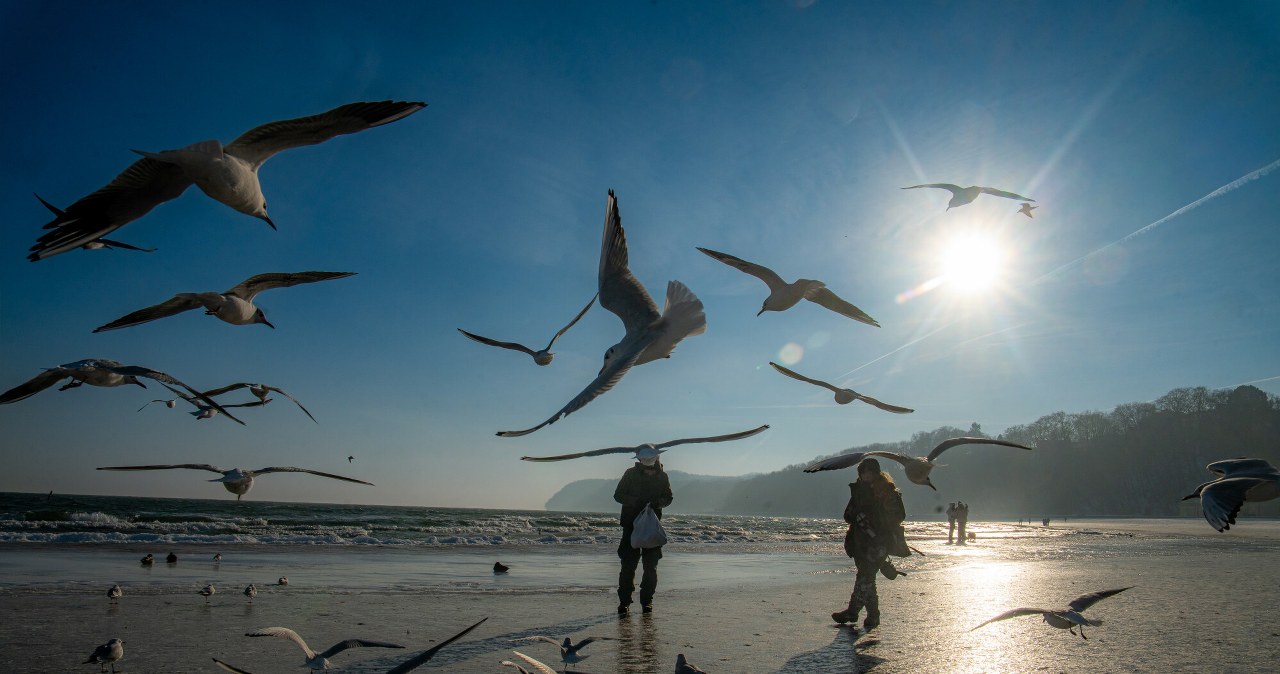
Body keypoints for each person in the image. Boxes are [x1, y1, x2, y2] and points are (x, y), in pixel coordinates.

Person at [832, 458, 906, 632]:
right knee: (867, 578)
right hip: (859, 541)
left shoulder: (887, 491)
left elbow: (899, 515)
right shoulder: (858, 490)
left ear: (876, 472)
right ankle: (872, 615)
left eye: (870, 472)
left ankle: (854, 612)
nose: (866, 475)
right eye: (863, 472)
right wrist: (856, 514)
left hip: (879, 541)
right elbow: (847, 515)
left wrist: (876, 521)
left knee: (865, 576)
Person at [613, 454, 673, 614]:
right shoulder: (630, 473)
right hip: (630, 526)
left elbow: (668, 497)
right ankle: (624, 603)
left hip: (652, 527)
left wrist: (658, 503)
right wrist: (634, 501)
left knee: (651, 568)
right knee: (628, 566)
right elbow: (618, 495)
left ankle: (647, 602)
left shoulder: (662, 476)